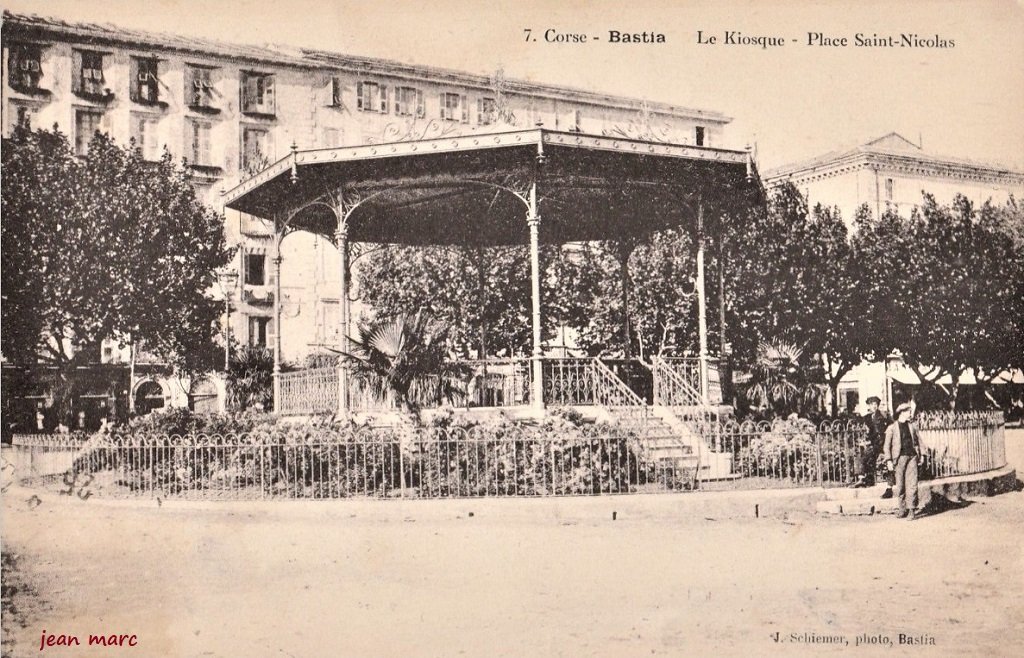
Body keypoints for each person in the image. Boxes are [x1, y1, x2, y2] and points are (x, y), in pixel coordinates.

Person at [883, 402, 923, 520]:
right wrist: (889, 460)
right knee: (900, 485)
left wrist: (923, 454)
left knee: (912, 484)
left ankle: (912, 510)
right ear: (901, 413)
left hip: (912, 457)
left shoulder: (912, 426)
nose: (910, 413)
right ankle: (902, 509)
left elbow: (919, 441)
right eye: (908, 411)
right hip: (899, 458)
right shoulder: (892, 428)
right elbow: (887, 446)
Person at [852, 396, 887, 487]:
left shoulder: (882, 416)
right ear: (869, 406)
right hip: (872, 443)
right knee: (861, 454)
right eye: (872, 404)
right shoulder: (867, 417)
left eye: (875, 404)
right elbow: (859, 423)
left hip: (881, 443)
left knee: (865, 456)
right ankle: (864, 478)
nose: (874, 406)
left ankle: (862, 478)